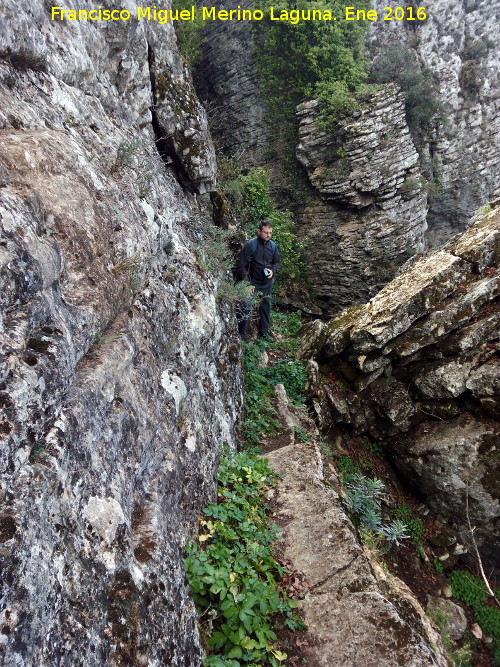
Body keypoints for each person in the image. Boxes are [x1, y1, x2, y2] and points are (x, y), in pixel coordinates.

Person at [235, 220, 281, 341]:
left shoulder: (273, 246)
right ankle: (242, 335)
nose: (268, 235)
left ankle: (264, 332)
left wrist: (272, 270)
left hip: (266, 283)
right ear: (259, 231)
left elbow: (276, 262)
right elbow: (241, 265)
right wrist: (246, 284)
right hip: (252, 283)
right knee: (246, 305)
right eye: (265, 232)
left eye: (270, 233)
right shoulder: (251, 245)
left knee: (266, 306)